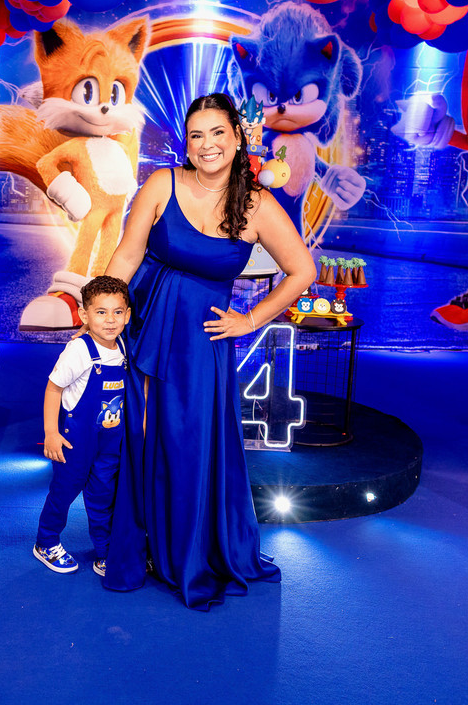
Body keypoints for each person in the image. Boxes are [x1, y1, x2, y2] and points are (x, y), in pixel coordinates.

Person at [101, 92, 317, 609]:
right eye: (196, 135)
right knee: (140, 435)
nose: (207, 144)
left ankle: (187, 549)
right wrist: (100, 322)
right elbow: (127, 255)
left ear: (237, 137)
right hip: (145, 325)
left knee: (189, 444)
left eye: (217, 132)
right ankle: (144, 542)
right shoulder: (162, 183)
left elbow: (302, 271)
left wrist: (251, 319)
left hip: (202, 343)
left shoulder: (257, 205)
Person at [33, 276, 131, 576]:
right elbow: (53, 389)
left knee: (103, 495)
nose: (110, 320)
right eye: (101, 312)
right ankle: (46, 542)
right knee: (64, 491)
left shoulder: (124, 346)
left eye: (117, 312)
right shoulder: (79, 351)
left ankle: (105, 550)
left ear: (127, 315)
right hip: (75, 440)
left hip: (111, 442)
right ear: (84, 315)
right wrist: (51, 432)